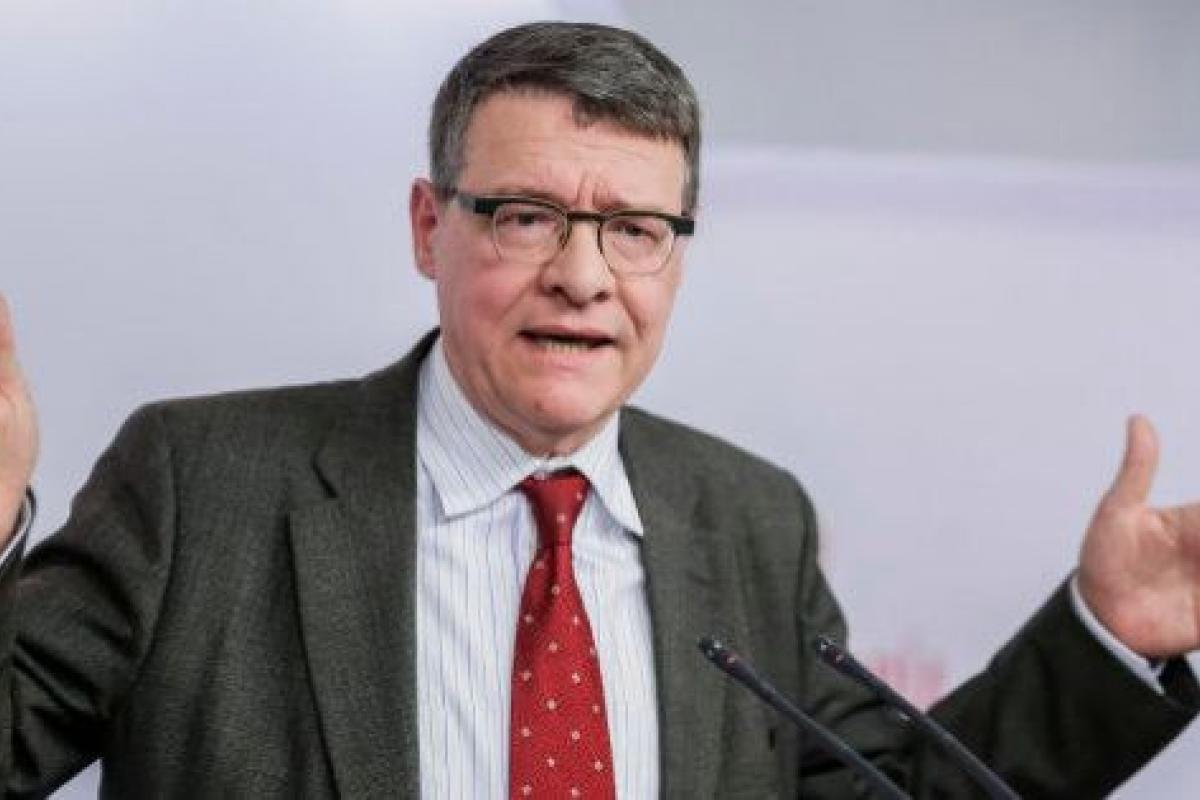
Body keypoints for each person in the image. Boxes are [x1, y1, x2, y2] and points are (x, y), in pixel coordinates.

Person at [0, 21, 1197, 799]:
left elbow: (887, 791)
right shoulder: (200, 481)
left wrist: (1105, 635)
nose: (583, 277)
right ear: (428, 226)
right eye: (527, 216)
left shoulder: (748, 514)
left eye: (634, 229)